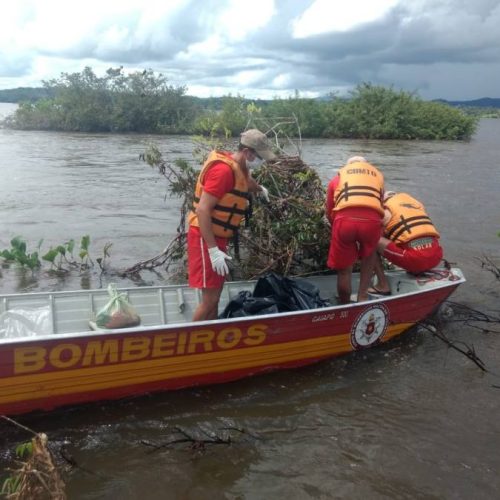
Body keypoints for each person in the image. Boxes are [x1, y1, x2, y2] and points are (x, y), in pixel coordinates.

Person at [187, 129, 276, 321]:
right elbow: (203, 210)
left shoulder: (239, 165)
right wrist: (212, 251)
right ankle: (191, 344)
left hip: (217, 237)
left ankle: (207, 339)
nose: (261, 161)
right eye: (260, 157)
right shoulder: (223, 171)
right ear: (247, 153)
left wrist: (261, 189)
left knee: (215, 296)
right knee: (209, 301)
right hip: (205, 237)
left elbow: (246, 182)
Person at [325, 156, 385, 304]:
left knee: (344, 270)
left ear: (348, 167)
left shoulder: (336, 179)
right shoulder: (376, 178)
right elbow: (380, 206)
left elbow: (329, 211)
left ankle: (344, 304)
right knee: (369, 256)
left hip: (344, 222)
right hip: (371, 222)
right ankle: (362, 297)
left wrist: (337, 229)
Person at [369, 191, 444, 295]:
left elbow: (381, 239)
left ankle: (382, 285)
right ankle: (418, 270)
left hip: (414, 259)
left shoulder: (385, 210)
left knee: (370, 239)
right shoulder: (415, 204)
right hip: (437, 256)